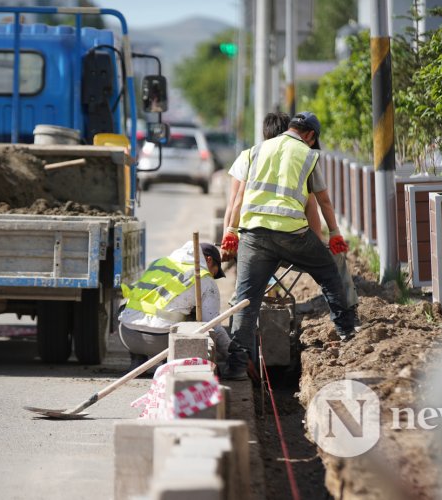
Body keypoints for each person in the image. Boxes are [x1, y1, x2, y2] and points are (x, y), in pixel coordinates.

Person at [220, 111, 355, 380]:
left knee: (246, 300)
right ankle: (347, 331)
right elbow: (321, 202)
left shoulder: (254, 151)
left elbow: (238, 200)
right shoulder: (308, 155)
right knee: (328, 273)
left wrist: (231, 231)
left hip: (254, 235)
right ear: (311, 136)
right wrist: (335, 234)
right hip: (292, 234)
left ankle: (236, 366)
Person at [118, 241, 230, 371]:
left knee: (127, 307)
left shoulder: (159, 263)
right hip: (163, 343)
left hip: (127, 336)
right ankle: (169, 361)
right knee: (196, 318)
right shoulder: (204, 278)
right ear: (209, 260)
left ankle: (137, 359)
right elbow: (212, 325)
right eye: (215, 272)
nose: (213, 276)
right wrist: (232, 354)